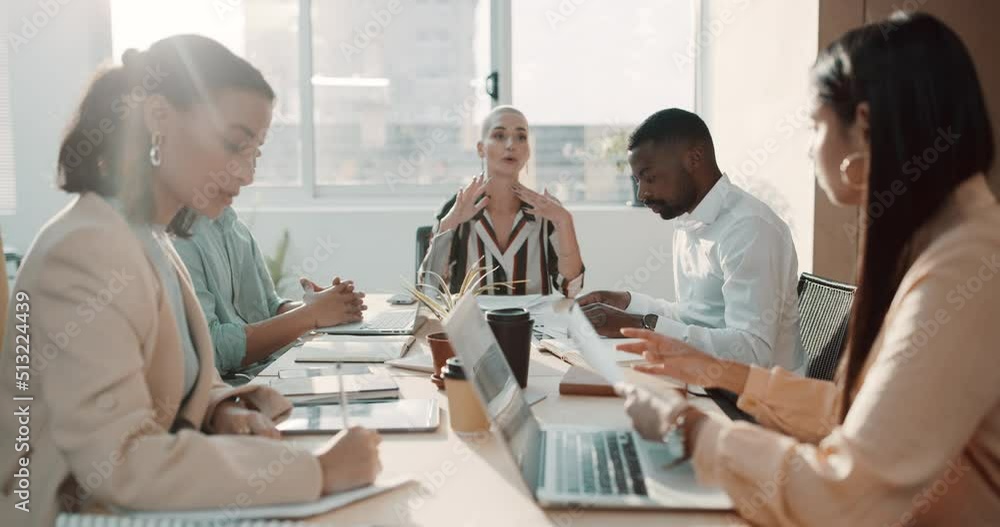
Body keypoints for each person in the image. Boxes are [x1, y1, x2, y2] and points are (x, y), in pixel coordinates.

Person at [617, 12, 1000, 525]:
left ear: (862, 127)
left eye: (815, 125)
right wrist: (706, 368)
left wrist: (690, 430)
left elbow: (847, 496)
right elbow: (848, 411)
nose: (808, 147)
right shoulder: (944, 243)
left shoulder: (967, 264)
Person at [0, 36, 381, 526]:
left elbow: (161, 382)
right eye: (233, 144)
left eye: (256, 152)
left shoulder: (148, 235)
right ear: (159, 117)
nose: (245, 173)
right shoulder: (86, 251)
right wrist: (317, 472)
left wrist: (221, 409)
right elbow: (115, 464)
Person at [578, 109, 803, 371]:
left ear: (694, 158)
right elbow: (693, 318)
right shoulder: (688, 222)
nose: (642, 193)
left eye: (650, 178)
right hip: (703, 378)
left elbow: (751, 351)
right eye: (637, 180)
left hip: (751, 400)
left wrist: (643, 325)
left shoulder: (749, 228)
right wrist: (626, 303)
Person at [172, 205, 367, 376]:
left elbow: (268, 307)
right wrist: (310, 315)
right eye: (245, 160)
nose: (250, 174)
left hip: (272, 370)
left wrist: (321, 305)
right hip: (235, 393)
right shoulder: (179, 241)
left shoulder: (237, 230)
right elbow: (212, 349)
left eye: (255, 160)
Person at [419, 106, 585, 296]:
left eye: (521, 137)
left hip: (533, 325)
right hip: (471, 325)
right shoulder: (456, 208)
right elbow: (429, 290)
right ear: (481, 148)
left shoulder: (546, 211)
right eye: (499, 135)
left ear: (528, 151)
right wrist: (449, 224)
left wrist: (565, 222)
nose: (511, 144)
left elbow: (571, 288)